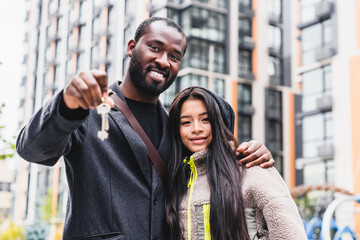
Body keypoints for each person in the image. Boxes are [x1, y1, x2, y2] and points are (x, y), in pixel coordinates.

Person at [16, 17, 274, 239]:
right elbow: (33, 150)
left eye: (175, 56)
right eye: (155, 48)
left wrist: (253, 155)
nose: (164, 61)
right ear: (131, 47)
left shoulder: (178, 127)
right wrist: (66, 104)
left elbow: (212, 170)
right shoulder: (89, 110)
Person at [165, 86, 307, 240]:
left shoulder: (252, 168)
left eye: (205, 119)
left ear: (219, 123)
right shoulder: (175, 180)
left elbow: (291, 234)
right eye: (186, 122)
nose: (197, 129)